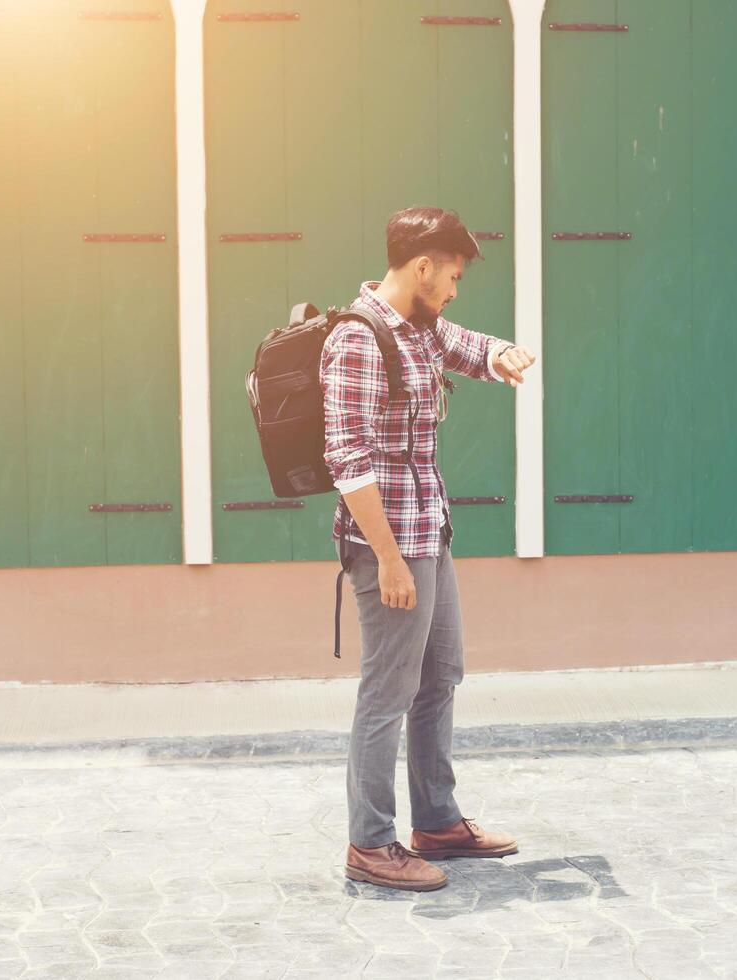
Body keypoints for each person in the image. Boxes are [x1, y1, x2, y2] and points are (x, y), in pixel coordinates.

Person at [320, 206, 538, 892]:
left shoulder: (416, 327)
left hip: (428, 529)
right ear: (421, 266)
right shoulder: (358, 340)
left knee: (440, 675)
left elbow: (463, 344)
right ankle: (370, 843)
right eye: (451, 273)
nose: (454, 287)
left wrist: (499, 352)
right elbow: (347, 460)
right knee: (387, 690)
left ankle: (437, 822)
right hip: (387, 541)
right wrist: (386, 559)